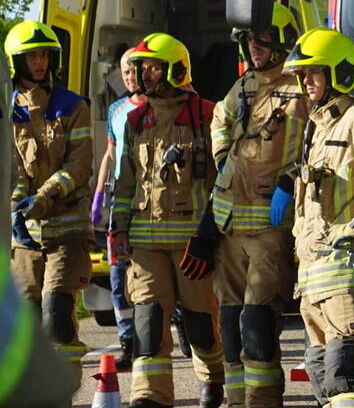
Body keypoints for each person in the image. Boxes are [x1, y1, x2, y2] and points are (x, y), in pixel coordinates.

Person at [281, 28, 354, 408]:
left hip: (345, 280)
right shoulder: (318, 127)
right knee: (324, 386)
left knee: (346, 383)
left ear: (340, 72)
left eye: (314, 72)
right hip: (313, 284)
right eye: (302, 74)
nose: (306, 82)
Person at [110, 32, 225, 408]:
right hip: (145, 245)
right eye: (142, 68)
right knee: (148, 322)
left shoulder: (206, 115)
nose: (145, 75)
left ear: (176, 70)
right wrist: (117, 229)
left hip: (192, 246)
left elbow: (221, 181)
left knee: (200, 326)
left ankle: (212, 376)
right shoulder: (134, 120)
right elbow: (125, 183)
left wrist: (210, 236)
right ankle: (149, 396)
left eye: (154, 68)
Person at [210, 4, 307, 407]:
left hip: (270, 227)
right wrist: (222, 156)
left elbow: (318, 141)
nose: (254, 46)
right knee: (230, 322)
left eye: (263, 38)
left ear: (283, 42)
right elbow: (219, 118)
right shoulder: (244, 85)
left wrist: (291, 178)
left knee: (258, 322)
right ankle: (238, 401)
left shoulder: (301, 87)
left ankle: (263, 401)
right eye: (250, 38)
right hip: (230, 223)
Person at [5, 20, 93, 391]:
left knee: (56, 315)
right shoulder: (8, 111)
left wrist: (43, 197)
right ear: (17, 62)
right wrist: (15, 207)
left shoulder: (73, 105)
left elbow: (79, 165)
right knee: (24, 322)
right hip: (25, 239)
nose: (40, 63)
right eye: (32, 56)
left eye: (44, 55)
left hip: (68, 231)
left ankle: (63, 394)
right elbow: (12, 168)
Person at [92, 46, 147, 370]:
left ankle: (180, 324)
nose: (129, 77)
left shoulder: (156, 107)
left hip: (149, 199)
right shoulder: (116, 109)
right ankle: (127, 340)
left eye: (133, 71)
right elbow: (110, 155)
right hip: (119, 200)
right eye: (124, 72)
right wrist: (99, 194)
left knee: (156, 271)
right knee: (116, 274)